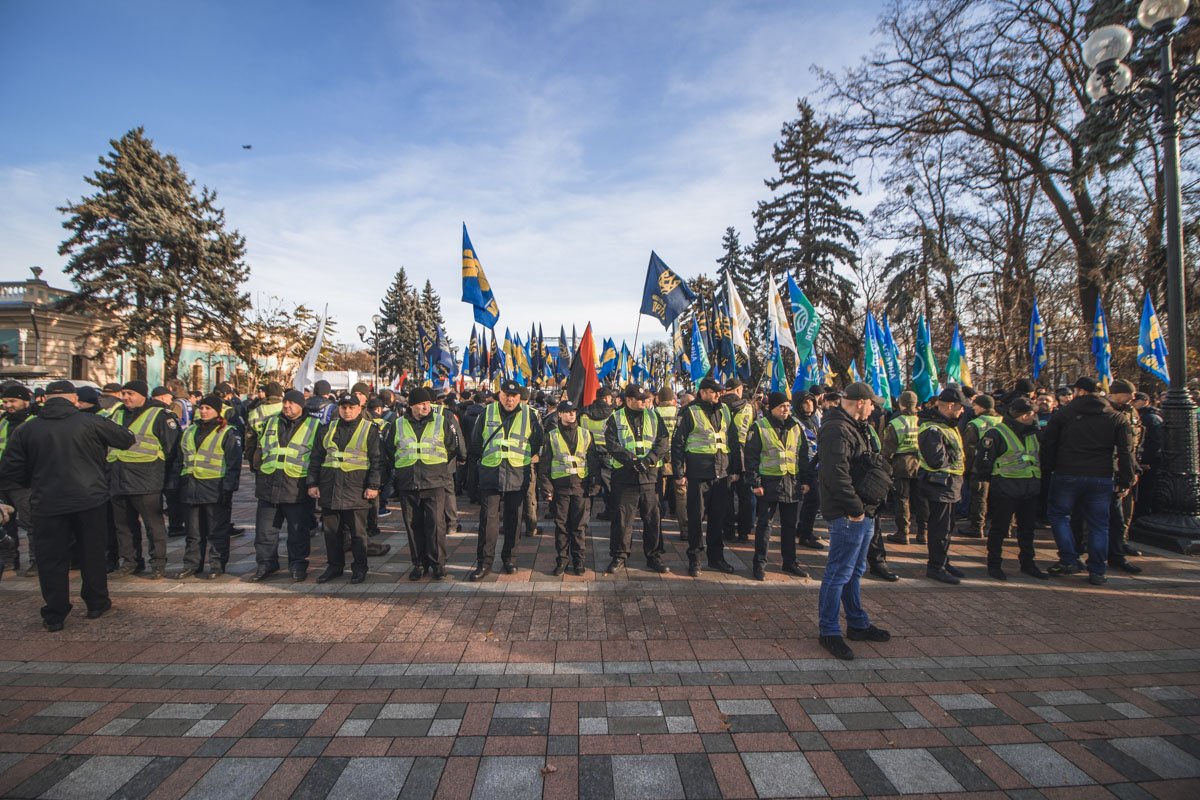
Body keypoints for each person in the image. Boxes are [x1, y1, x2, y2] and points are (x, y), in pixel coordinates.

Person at [0, 380, 135, 631]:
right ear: (74, 399)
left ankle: (55, 613)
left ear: (45, 399)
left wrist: (35, 480)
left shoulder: (28, 429)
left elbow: (10, 469)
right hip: (90, 499)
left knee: (51, 558)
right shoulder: (90, 421)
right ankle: (96, 602)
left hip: (47, 501)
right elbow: (126, 438)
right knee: (91, 553)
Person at [815, 382, 892, 661]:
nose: (874, 408)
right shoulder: (837, 428)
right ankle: (829, 631)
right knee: (838, 574)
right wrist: (856, 508)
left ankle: (857, 623)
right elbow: (836, 475)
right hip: (849, 513)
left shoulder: (853, 426)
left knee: (854, 571)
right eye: (871, 403)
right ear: (860, 402)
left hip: (862, 511)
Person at [1041, 377, 1135, 585]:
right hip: (1101, 475)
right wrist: (1126, 479)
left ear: (1079, 391)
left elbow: (1048, 444)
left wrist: (1049, 468)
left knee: (1059, 516)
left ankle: (1069, 558)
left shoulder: (1064, 413)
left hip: (1067, 472)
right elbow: (1126, 452)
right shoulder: (1116, 417)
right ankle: (1097, 569)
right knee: (1099, 524)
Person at [384, 386, 464, 581]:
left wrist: (436, 468)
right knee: (413, 526)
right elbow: (389, 450)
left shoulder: (442, 422)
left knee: (436, 525)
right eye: (421, 404)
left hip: (434, 481)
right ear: (411, 406)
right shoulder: (398, 424)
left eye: (428, 403)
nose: (426, 407)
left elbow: (451, 448)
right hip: (408, 483)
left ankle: (438, 564)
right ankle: (419, 563)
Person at [468, 380, 543, 580]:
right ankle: (484, 563)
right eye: (506, 395)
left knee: (514, 520)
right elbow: (475, 442)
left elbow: (537, 441)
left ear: (520, 398)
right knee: (488, 521)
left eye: (514, 396)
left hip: (517, 473)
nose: (509, 399)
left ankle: (510, 559)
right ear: (499, 395)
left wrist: (526, 458)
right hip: (491, 472)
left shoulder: (531, 415)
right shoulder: (487, 412)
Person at [108, 380, 182, 579]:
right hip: (118, 479)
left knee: (153, 525)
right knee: (123, 526)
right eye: (123, 393)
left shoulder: (160, 414)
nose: (125, 397)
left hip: (147, 479)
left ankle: (157, 562)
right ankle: (131, 561)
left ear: (143, 394)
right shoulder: (117, 413)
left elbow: (173, 450)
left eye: (130, 393)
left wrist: (169, 481)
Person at [309, 392, 383, 584]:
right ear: (338, 409)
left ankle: (360, 568)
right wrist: (312, 483)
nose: (347, 411)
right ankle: (334, 566)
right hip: (330, 488)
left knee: (358, 534)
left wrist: (373, 485)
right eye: (344, 407)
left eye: (352, 407)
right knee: (331, 533)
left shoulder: (370, 429)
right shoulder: (327, 429)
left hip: (356, 489)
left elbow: (377, 461)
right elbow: (316, 457)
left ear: (360, 409)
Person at [245, 389, 319, 582]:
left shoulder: (314, 425)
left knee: (297, 532)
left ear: (301, 405)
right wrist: (257, 469)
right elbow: (257, 448)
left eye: (292, 403)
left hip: (297, 487)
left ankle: (298, 565)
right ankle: (266, 564)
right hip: (269, 485)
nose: (287, 406)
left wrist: (313, 483)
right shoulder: (271, 422)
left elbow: (317, 457)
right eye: (285, 402)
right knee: (265, 532)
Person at [672, 376, 742, 577]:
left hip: (722, 473)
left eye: (719, 392)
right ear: (703, 392)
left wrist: (736, 469)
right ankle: (695, 558)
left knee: (718, 519)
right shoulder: (689, 412)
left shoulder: (725, 410)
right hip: (698, 474)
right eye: (714, 391)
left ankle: (716, 558)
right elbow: (678, 444)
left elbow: (734, 440)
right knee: (696, 518)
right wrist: (679, 473)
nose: (718, 395)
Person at [972, 397, 1048, 580]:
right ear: (1024, 416)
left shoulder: (1034, 434)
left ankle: (1028, 563)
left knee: (1027, 529)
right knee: (999, 528)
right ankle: (994, 564)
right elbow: (984, 463)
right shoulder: (996, 433)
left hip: (1029, 488)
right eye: (1032, 414)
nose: (1034, 418)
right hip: (1005, 488)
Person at [604, 384, 671, 574]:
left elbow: (663, 440)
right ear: (628, 400)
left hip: (650, 476)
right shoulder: (615, 418)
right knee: (622, 520)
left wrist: (649, 460)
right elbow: (612, 443)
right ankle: (619, 556)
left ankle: (654, 555)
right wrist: (632, 461)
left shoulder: (653, 415)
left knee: (652, 519)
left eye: (645, 399)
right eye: (640, 399)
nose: (644, 402)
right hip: (625, 476)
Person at [744, 391, 810, 581]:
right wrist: (755, 482)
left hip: (792, 483)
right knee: (765, 526)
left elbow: (803, 456)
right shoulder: (760, 427)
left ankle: (790, 562)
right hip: (769, 483)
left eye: (788, 406)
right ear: (772, 408)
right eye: (782, 406)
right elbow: (751, 458)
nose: (786, 410)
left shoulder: (796, 426)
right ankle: (759, 564)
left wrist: (805, 480)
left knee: (790, 526)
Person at [174, 394, 241, 578]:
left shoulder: (227, 431)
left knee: (216, 530)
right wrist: (175, 483)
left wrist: (229, 488)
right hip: (191, 486)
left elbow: (233, 463)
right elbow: (180, 459)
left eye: (208, 408)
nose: (203, 411)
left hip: (215, 487)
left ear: (217, 411)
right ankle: (192, 564)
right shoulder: (189, 431)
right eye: (201, 408)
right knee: (193, 532)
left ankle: (217, 565)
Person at [538, 400, 601, 575]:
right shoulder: (551, 435)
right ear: (560, 414)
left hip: (581, 488)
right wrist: (546, 488)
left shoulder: (586, 434)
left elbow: (594, 462)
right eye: (567, 411)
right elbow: (544, 465)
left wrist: (595, 483)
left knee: (579, 527)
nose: (571, 414)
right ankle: (562, 561)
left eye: (573, 411)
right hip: (560, 489)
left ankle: (579, 561)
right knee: (562, 527)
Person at [918, 387, 968, 585]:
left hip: (951, 483)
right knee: (940, 528)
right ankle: (935, 566)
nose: (962, 411)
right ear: (949, 406)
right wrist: (952, 456)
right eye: (960, 407)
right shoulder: (932, 428)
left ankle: (943, 560)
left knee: (948, 527)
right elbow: (936, 459)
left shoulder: (948, 425)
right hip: (939, 484)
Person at [1104, 379, 1144, 572]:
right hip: (1108, 467)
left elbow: (1134, 443)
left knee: (1125, 510)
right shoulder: (1105, 411)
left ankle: (1121, 542)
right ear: (1116, 394)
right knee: (1109, 513)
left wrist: (1134, 468)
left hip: (1128, 464)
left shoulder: (1131, 412)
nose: (1132, 398)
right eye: (1128, 394)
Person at [0, 384, 37, 576]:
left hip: (24, 483)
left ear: (25, 400)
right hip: (3, 481)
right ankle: (9, 560)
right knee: (5, 523)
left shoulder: (34, 422)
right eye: (5, 402)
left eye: (13, 401)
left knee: (31, 522)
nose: (8, 405)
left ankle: (36, 561)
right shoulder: (3, 422)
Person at [883, 391, 926, 546]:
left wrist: (884, 464)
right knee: (921, 500)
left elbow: (888, 448)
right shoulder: (922, 421)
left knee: (902, 499)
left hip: (901, 464)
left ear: (901, 404)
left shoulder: (896, 423)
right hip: (920, 463)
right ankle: (923, 532)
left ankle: (903, 532)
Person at [960, 394, 1000, 539]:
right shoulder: (1003, 421)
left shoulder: (975, 424)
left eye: (975, 405)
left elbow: (969, 449)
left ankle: (977, 526)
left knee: (979, 497)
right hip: (1001, 466)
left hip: (980, 466)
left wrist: (967, 468)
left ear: (982, 407)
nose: (973, 408)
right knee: (999, 498)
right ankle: (1003, 527)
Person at [721, 378, 756, 542]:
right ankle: (744, 530)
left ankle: (728, 531)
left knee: (726, 497)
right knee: (745, 496)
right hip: (746, 455)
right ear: (738, 389)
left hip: (725, 454)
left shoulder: (720, 407)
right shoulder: (749, 408)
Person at [794, 392, 825, 550]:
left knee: (811, 502)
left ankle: (803, 529)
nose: (810, 406)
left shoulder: (813, 420)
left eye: (812, 402)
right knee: (814, 500)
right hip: (805, 467)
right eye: (806, 403)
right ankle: (805, 534)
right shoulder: (796, 422)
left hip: (815, 465)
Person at [654, 387, 687, 536]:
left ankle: (657, 528)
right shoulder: (679, 413)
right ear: (673, 400)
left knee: (657, 496)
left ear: (658, 400)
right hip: (678, 459)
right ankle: (685, 529)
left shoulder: (653, 414)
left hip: (659, 460)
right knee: (681, 495)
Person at [1132, 391, 1164, 520]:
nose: (1133, 403)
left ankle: (1143, 513)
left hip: (1149, 461)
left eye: (1136, 400)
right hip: (1142, 459)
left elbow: (1154, 442)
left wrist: (1146, 461)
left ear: (1145, 401)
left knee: (1146, 489)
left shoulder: (1151, 418)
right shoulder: (1143, 415)